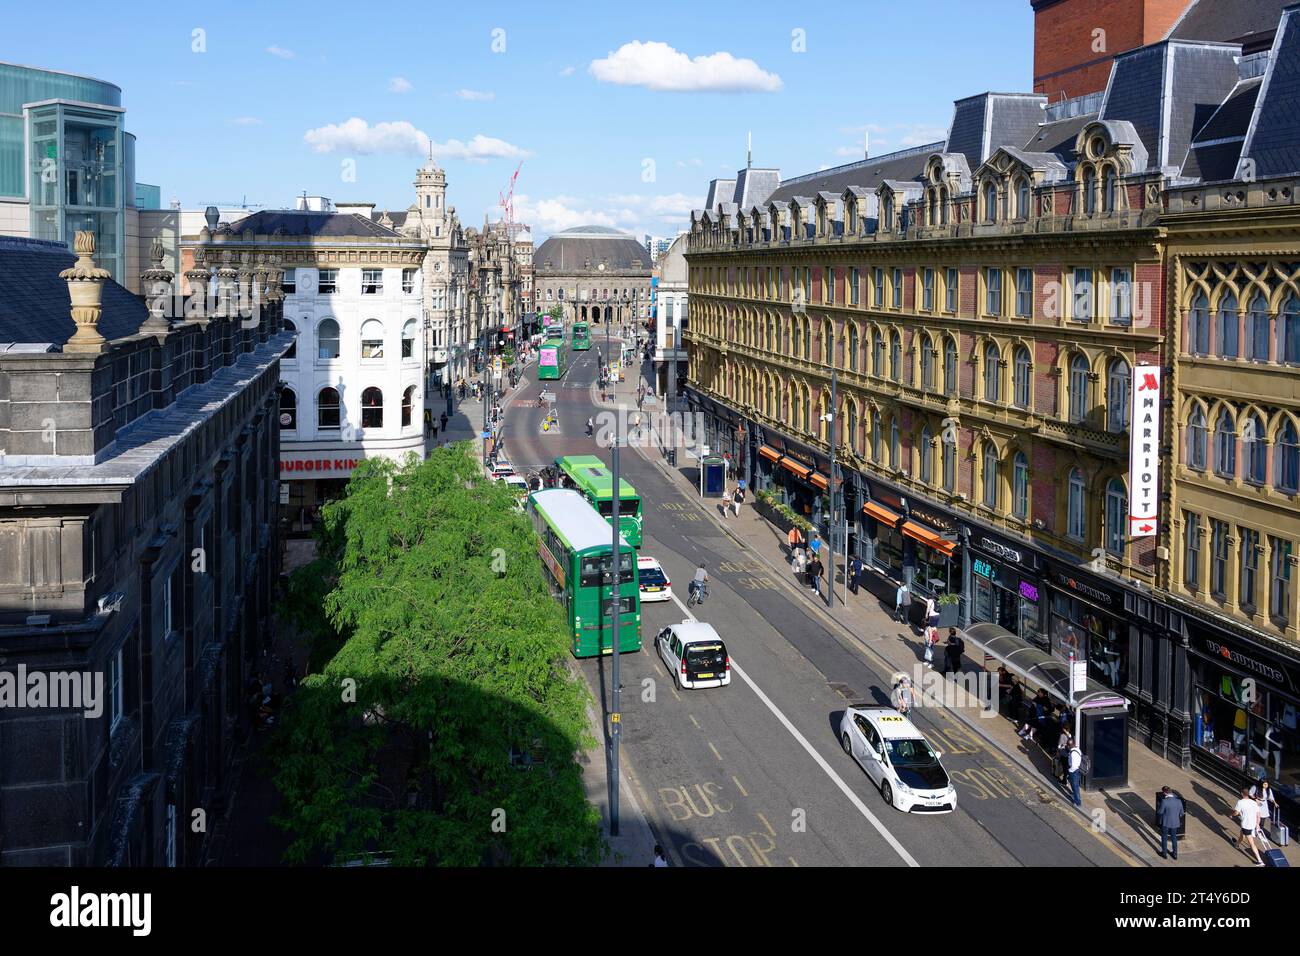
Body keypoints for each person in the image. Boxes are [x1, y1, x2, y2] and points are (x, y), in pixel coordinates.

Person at [1232, 787, 1266, 865]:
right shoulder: (1254, 802)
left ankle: (1260, 860)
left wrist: (1231, 815)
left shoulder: (1240, 802)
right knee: (1242, 834)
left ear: (1241, 793)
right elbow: (1258, 815)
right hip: (1252, 824)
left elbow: (1236, 813)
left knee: (1252, 844)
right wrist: (1257, 824)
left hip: (1246, 825)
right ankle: (1236, 844)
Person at [1157, 787, 1184, 860]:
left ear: (1165, 793)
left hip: (1166, 822)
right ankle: (1175, 854)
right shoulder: (1179, 801)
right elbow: (1181, 813)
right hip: (1175, 823)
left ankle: (1164, 853)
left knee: (1164, 837)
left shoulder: (1164, 801)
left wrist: (1160, 806)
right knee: (1174, 837)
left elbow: (1160, 812)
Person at [1066, 739, 1083, 808]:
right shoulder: (1077, 749)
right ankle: (1075, 795)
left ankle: (1077, 803)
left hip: (1074, 771)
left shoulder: (1073, 753)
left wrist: (1069, 770)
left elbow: (1073, 766)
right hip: (1077, 770)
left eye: (1067, 745)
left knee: (1075, 787)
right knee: (1075, 785)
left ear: (1069, 746)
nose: (1067, 746)